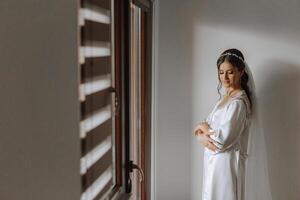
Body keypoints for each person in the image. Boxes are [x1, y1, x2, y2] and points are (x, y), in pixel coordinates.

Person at [194, 48, 253, 200]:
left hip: (226, 167)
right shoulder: (225, 98)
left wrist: (203, 130)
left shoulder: (238, 103)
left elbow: (222, 140)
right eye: (221, 72)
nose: (224, 77)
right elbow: (205, 126)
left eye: (230, 72)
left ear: (241, 72)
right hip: (214, 165)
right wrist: (200, 131)